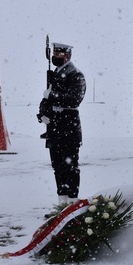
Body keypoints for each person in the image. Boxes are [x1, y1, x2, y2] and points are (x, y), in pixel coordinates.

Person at [38, 43, 86, 205]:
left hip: (68, 128)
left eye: (59, 54)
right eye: (54, 53)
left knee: (70, 167)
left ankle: (72, 203)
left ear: (67, 56)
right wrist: (42, 113)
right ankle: (62, 204)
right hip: (54, 128)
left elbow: (74, 99)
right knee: (57, 167)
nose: (55, 56)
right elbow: (45, 99)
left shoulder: (75, 75)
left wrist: (52, 95)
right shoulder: (55, 74)